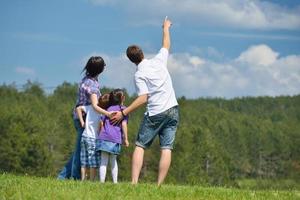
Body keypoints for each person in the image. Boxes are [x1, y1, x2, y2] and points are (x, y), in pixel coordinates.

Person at [111, 17, 179, 185]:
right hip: (173, 109)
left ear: (131, 60)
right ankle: (158, 186)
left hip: (155, 112)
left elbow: (143, 98)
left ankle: (134, 183)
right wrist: (166, 27)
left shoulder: (139, 74)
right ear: (142, 53)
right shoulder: (158, 61)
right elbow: (166, 44)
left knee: (140, 145)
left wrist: (123, 113)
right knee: (166, 148)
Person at [57, 56, 112, 180]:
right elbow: (94, 105)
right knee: (79, 151)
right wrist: (108, 114)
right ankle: (74, 177)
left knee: (79, 149)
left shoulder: (86, 79)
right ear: (100, 69)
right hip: (86, 119)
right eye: (103, 65)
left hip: (81, 117)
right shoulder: (92, 85)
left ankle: (63, 176)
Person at [97, 89, 129, 183]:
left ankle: (101, 182)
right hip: (115, 138)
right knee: (113, 161)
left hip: (104, 137)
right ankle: (115, 183)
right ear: (122, 98)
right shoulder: (123, 110)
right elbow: (124, 125)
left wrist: (99, 134)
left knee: (103, 161)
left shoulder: (107, 109)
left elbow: (101, 122)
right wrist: (126, 139)